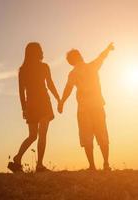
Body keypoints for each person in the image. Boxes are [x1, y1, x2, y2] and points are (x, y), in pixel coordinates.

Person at [58, 42, 114, 171]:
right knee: (102, 134)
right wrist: (108, 49)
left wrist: (62, 102)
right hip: (97, 105)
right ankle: (106, 164)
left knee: (86, 136)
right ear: (80, 56)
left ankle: (92, 166)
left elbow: (68, 89)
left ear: (70, 62)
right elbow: (102, 56)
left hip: (84, 109)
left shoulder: (73, 74)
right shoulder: (92, 66)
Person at [8, 42, 60, 173]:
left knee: (33, 136)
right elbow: (49, 85)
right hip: (41, 103)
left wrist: (24, 108)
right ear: (37, 52)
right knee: (38, 135)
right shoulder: (40, 67)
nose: (42, 52)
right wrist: (58, 99)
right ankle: (33, 163)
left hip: (33, 104)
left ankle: (24, 160)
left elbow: (22, 92)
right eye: (40, 50)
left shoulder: (24, 70)